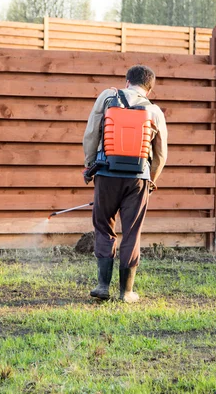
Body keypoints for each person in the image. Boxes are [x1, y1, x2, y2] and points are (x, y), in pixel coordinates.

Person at [82, 65, 168, 303]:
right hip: (138, 178)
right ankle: (126, 292)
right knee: (131, 232)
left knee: (104, 226)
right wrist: (152, 179)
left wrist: (90, 166)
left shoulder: (107, 97)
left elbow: (91, 134)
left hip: (107, 174)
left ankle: (102, 286)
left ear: (127, 80)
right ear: (148, 90)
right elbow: (161, 154)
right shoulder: (155, 111)